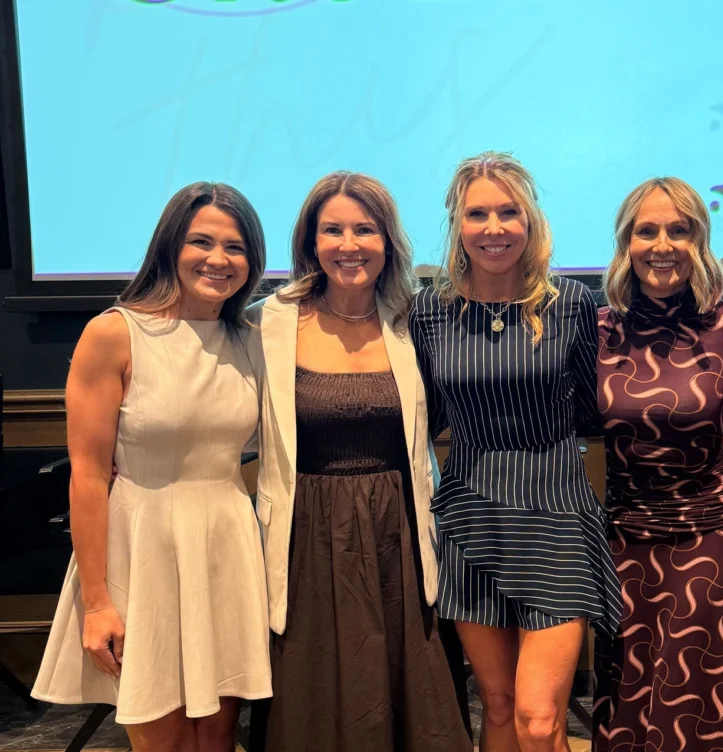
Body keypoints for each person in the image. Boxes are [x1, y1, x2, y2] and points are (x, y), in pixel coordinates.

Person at [33, 183, 271, 751]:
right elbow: (88, 476)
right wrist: (96, 604)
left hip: (226, 546)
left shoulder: (253, 338)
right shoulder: (114, 333)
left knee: (216, 739)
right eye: (201, 241)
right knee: (161, 741)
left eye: (235, 247)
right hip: (140, 549)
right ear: (169, 246)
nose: (218, 259)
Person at [247, 171, 470, 752]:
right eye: (333, 230)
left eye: (365, 229)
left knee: (412, 696)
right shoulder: (266, 323)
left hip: (397, 532)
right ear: (310, 242)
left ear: (388, 241)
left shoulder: (414, 320)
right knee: (311, 693)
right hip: (306, 536)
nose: (349, 244)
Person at [410, 151, 621, 752]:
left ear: (531, 222)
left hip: (556, 518)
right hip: (469, 519)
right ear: (458, 223)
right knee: (498, 706)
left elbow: (591, 407)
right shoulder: (430, 312)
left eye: (509, 212)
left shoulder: (571, 305)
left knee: (536, 715)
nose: (494, 228)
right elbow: (425, 414)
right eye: (478, 214)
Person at [592, 177, 723, 752]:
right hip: (624, 545)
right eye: (647, 230)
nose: (662, 244)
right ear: (626, 244)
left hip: (706, 541)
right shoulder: (599, 331)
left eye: (679, 229)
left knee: (695, 705)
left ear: (700, 240)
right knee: (632, 706)